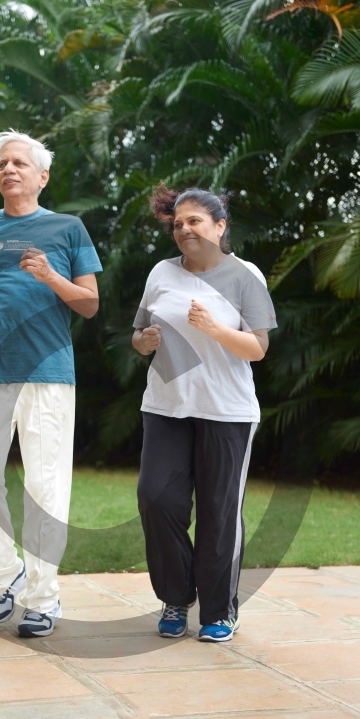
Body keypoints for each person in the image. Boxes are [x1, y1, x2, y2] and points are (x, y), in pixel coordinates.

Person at [0, 130, 102, 637]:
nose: (8, 170)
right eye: (2, 163)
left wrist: (50, 278)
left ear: (42, 176)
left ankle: (43, 597)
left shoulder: (68, 229)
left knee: (45, 486)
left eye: (19, 162)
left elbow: (89, 303)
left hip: (49, 375)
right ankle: (5, 576)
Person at [133, 185, 277, 642]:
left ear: (219, 226)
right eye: (177, 223)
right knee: (157, 499)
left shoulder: (245, 275)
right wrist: (146, 342)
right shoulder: (160, 273)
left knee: (219, 512)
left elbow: (257, 348)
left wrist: (214, 328)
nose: (184, 229)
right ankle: (176, 598)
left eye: (194, 220)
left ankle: (219, 611)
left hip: (226, 411)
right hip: (166, 406)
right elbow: (138, 334)